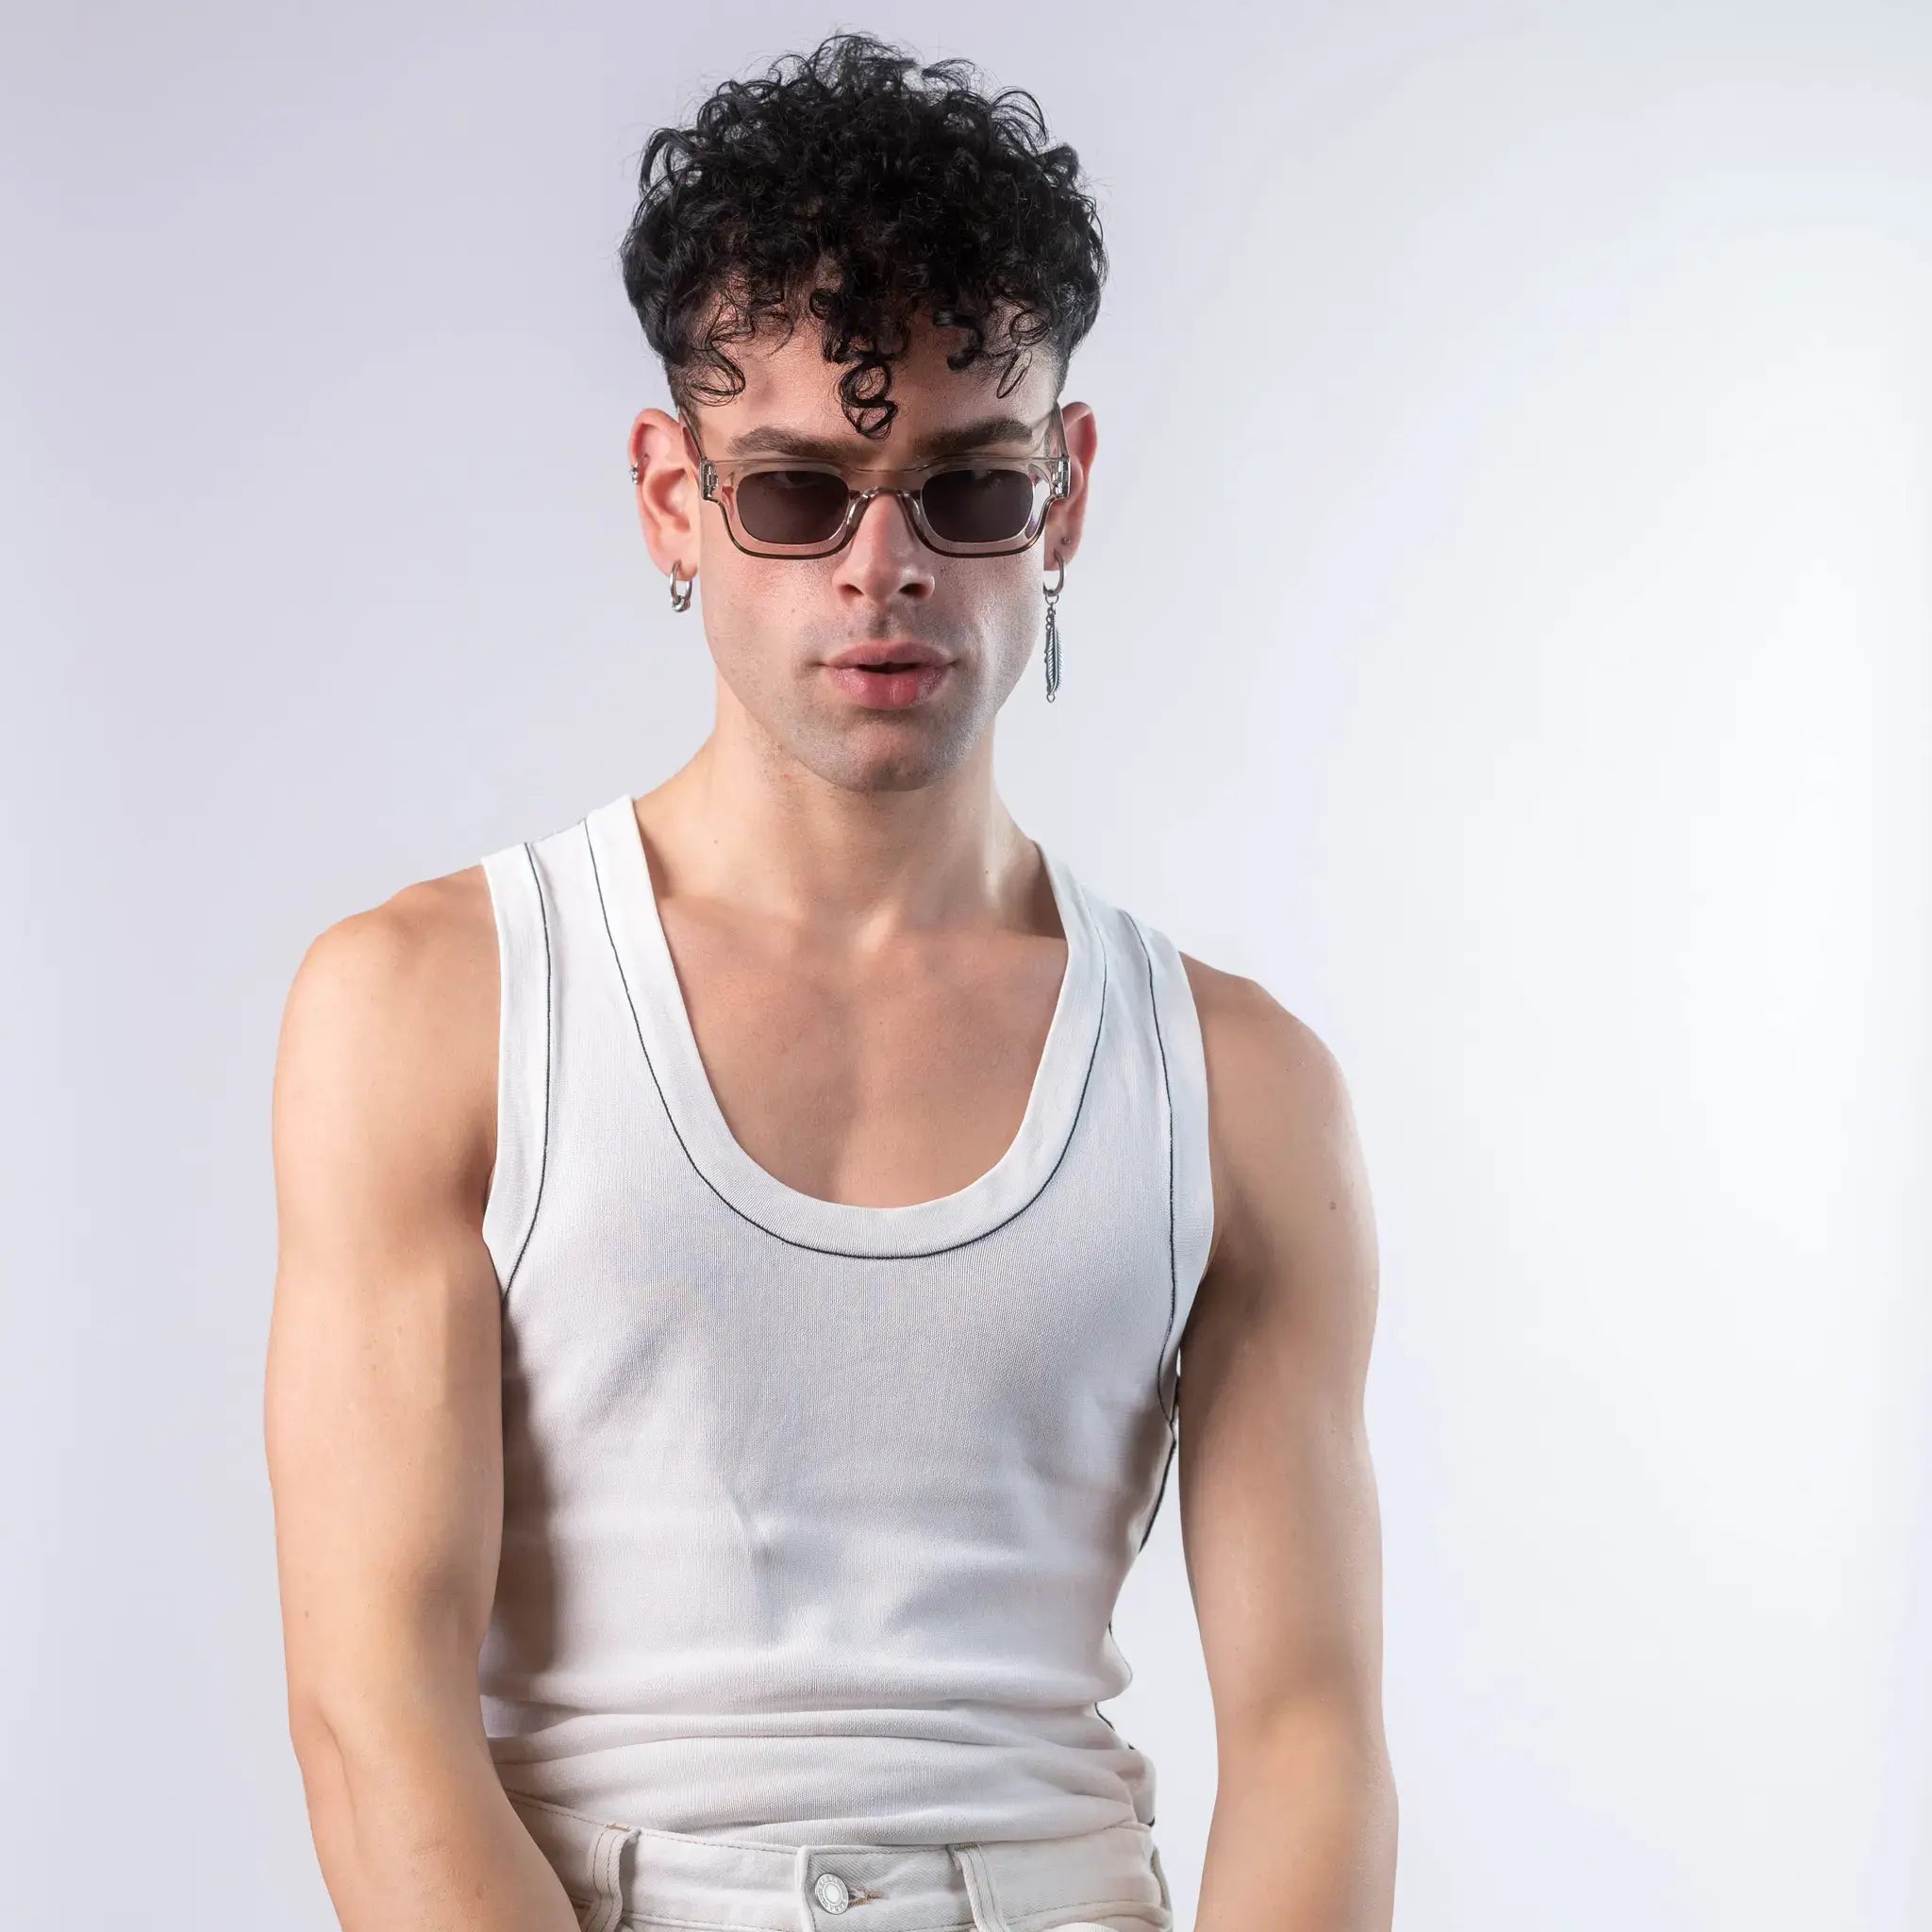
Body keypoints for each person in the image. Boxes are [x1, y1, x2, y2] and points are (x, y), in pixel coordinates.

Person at [264, 30, 1395, 1932]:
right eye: (797, 496)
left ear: (1068, 494)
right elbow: (370, 1707)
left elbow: (1309, 1736)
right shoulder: (428, 1006)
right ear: (670, 496)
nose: (884, 570)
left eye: (966, 494)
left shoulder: (1235, 1083)